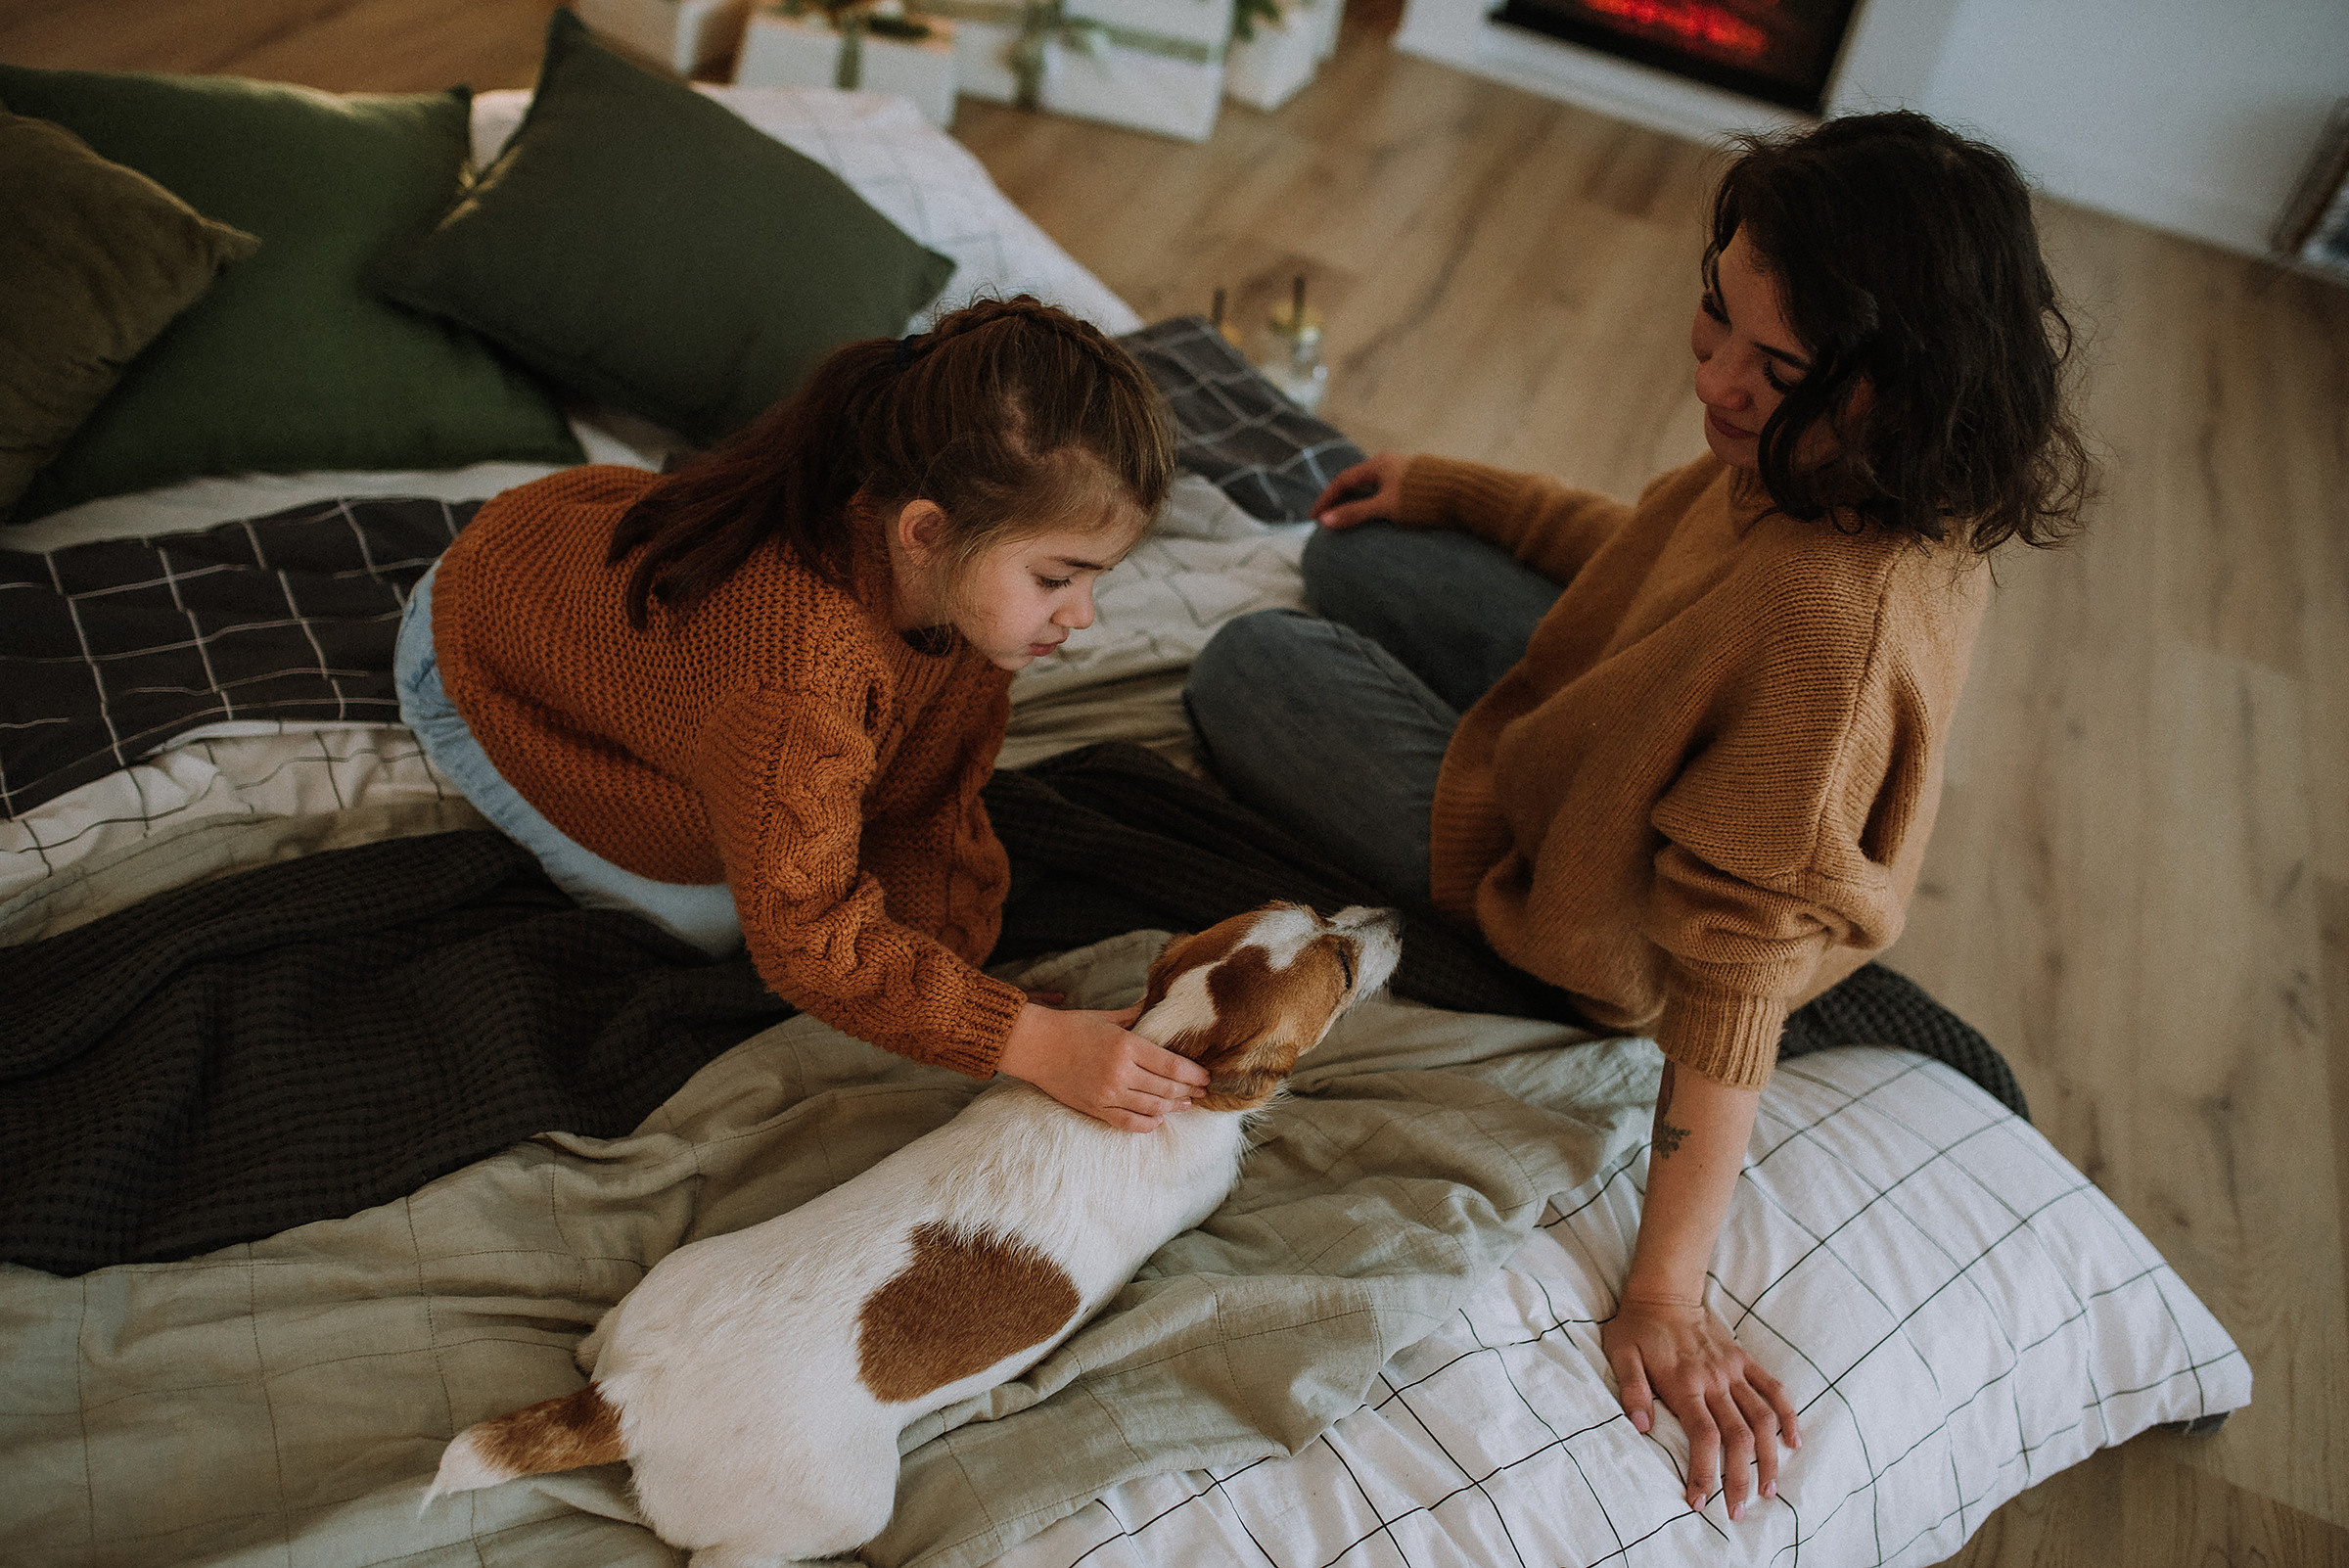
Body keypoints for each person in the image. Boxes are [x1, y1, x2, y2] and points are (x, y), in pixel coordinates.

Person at [1183, 111, 2092, 1520]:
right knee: (1361, 547)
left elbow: (1725, 978)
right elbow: (1647, 549)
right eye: (1713, 317)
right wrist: (1455, 489)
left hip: (1572, 879)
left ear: (1903, 390)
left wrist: (1666, 1289)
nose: (1720, 381)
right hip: (1621, 721)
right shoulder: (1831, 471)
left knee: (1258, 664)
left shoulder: (1827, 624)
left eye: (1773, 367)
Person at [395, 295, 1212, 1132]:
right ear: (925, 532)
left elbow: (926, 791)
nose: (1082, 616)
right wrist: (1020, 1039)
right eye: (1057, 579)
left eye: (1095, 580)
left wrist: (973, 993)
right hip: (475, 643)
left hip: (608, 593)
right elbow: (805, 935)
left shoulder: (960, 588)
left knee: (855, 893)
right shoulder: (799, 673)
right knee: (728, 925)